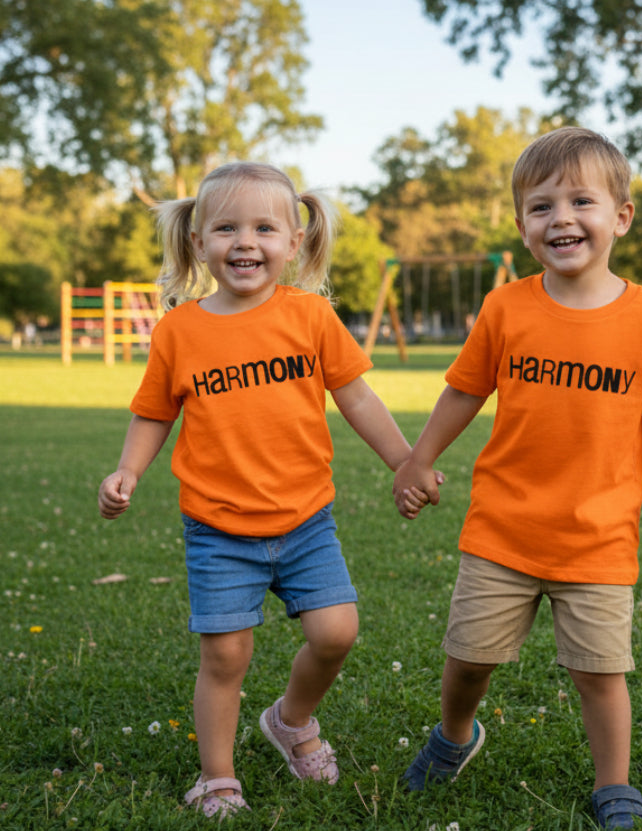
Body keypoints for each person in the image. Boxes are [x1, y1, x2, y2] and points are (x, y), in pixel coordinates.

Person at [392, 127, 642, 829]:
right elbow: (465, 391)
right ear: (521, 227)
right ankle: (453, 735)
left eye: (580, 201)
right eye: (540, 206)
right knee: (468, 659)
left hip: (597, 535)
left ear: (620, 216)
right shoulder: (506, 307)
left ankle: (612, 784)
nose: (560, 218)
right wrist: (419, 455)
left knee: (599, 672)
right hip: (502, 527)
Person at [98, 162, 425, 819]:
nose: (245, 242)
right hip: (219, 528)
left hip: (306, 521)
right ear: (198, 241)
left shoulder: (310, 316)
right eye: (225, 228)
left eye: (263, 228)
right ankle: (217, 777)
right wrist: (129, 468)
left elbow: (355, 396)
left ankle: (291, 719)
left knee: (337, 632)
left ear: (294, 241)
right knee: (226, 654)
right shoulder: (180, 330)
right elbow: (154, 412)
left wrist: (404, 460)